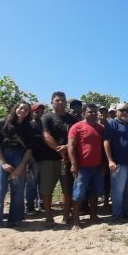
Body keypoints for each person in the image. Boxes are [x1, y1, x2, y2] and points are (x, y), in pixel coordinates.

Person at [0, 102, 34, 229]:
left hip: (20, 157)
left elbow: (29, 149)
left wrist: (20, 167)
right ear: (15, 108)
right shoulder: (2, 123)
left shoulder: (29, 127)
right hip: (2, 156)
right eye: (20, 108)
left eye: (26, 109)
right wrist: (2, 162)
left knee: (18, 190)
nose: (23, 110)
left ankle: (16, 218)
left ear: (29, 112)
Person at [41, 91, 78, 226]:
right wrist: (60, 150)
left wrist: (67, 147)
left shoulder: (73, 119)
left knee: (67, 189)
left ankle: (65, 216)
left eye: (63, 100)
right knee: (47, 189)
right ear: (52, 102)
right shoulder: (46, 117)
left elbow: (77, 138)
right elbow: (46, 136)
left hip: (68, 160)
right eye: (57, 100)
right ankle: (49, 216)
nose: (61, 102)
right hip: (49, 159)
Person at [68, 103, 105, 227]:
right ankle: (76, 220)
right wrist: (74, 164)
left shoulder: (100, 128)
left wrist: (104, 164)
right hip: (82, 167)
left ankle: (93, 216)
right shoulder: (76, 127)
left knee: (94, 193)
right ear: (84, 112)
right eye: (90, 112)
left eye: (95, 112)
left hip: (97, 167)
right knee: (78, 194)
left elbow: (104, 148)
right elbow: (71, 146)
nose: (94, 114)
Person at [104, 103, 128, 220]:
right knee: (118, 191)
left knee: (126, 191)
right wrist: (110, 161)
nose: (125, 112)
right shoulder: (112, 123)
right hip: (118, 163)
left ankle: (125, 212)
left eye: (127, 110)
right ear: (116, 111)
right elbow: (106, 142)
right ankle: (117, 215)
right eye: (122, 110)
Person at [25, 103, 47, 214]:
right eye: (36, 111)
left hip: (44, 157)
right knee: (32, 183)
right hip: (33, 158)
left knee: (42, 183)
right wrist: (29, 157)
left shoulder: (44, 124)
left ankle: (42, 203)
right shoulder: (28, 125)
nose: (39, 113)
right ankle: (29, 206)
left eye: (41, 111)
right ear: (32, 112)